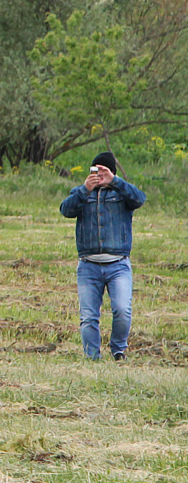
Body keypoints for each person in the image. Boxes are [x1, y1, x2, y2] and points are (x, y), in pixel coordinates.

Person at [60, 151, 146, 360]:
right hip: (89, 264)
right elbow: (66, 210)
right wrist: (85, 189)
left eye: (103, 171)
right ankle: (92, 356)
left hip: (118, 263)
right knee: (89, 316)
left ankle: (118, 350)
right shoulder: (82, 193)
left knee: (122, 310)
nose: (99, 175)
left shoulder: (122, 194)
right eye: (95, 171)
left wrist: (115, 181)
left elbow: (140, 199)